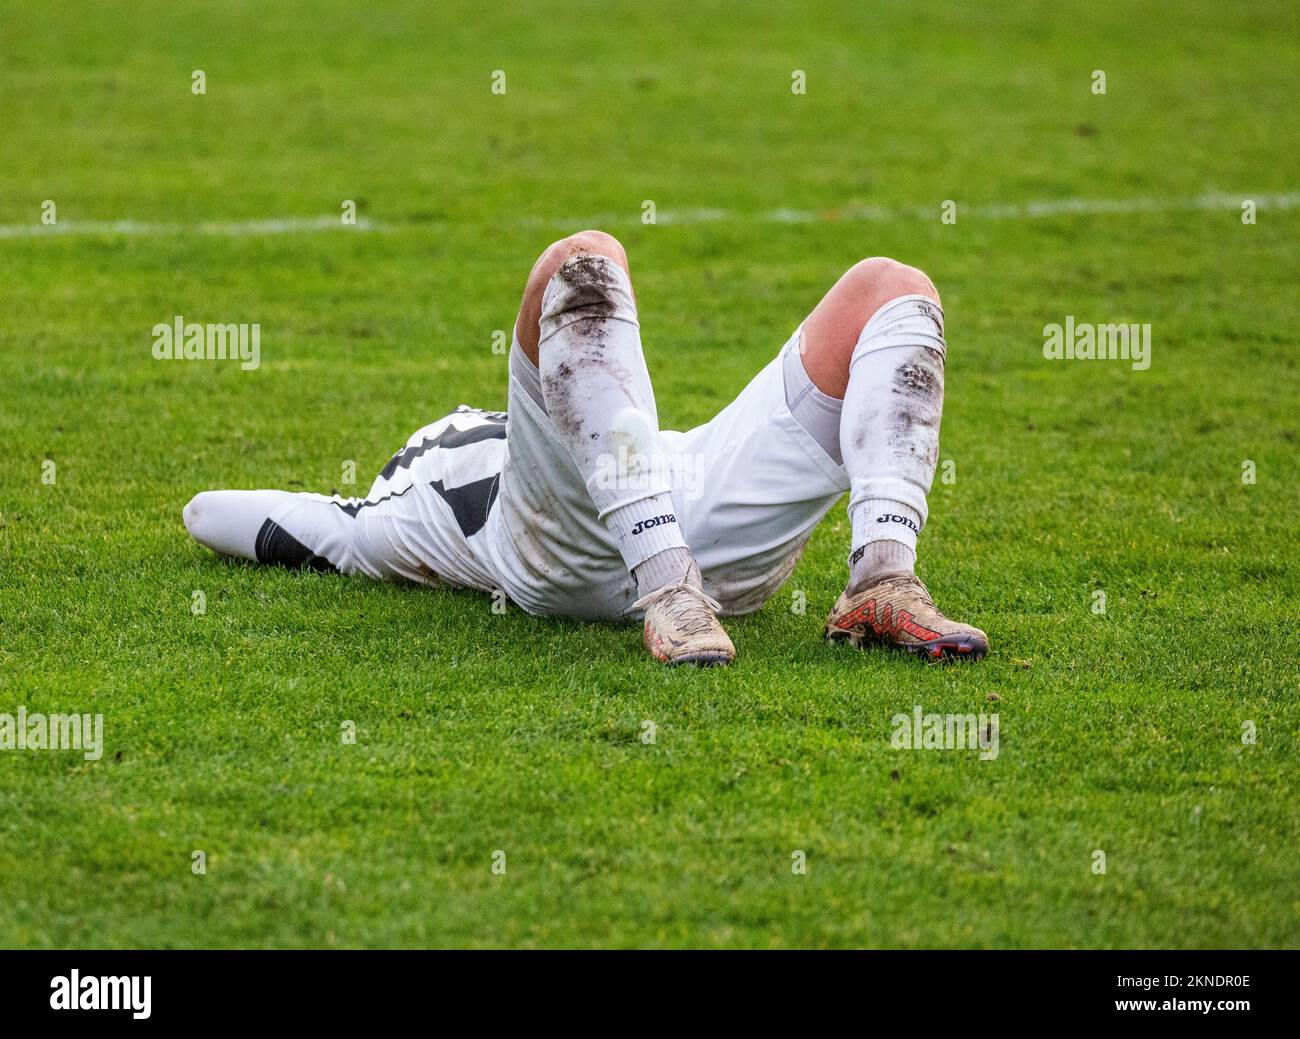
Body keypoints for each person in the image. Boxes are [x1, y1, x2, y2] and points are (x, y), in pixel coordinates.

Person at [183, 230, 988, 666]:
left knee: (893, 286)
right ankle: (669, 588)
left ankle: (882, 577)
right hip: (606, 546)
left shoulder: (399, 509)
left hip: (680, 516)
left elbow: (234, 517)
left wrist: (196, 512)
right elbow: (263, 522)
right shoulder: (411, 509)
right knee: (581, 260)